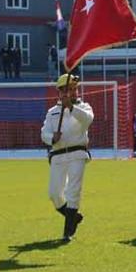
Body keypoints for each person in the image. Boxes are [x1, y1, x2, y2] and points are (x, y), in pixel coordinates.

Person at [40, 74, 94, 243]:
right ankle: (73, 217)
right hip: (57, 155)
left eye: (74, 89)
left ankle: (67, 231)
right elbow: (44, 133)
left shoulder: (84, 107)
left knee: (73, 190)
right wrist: (51, 138)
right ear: (60, 92)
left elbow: (87, 121)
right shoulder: (52, 112)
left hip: (77, 153)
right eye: (68, 89)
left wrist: (71, 107)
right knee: (54, 194)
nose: (72, 92)